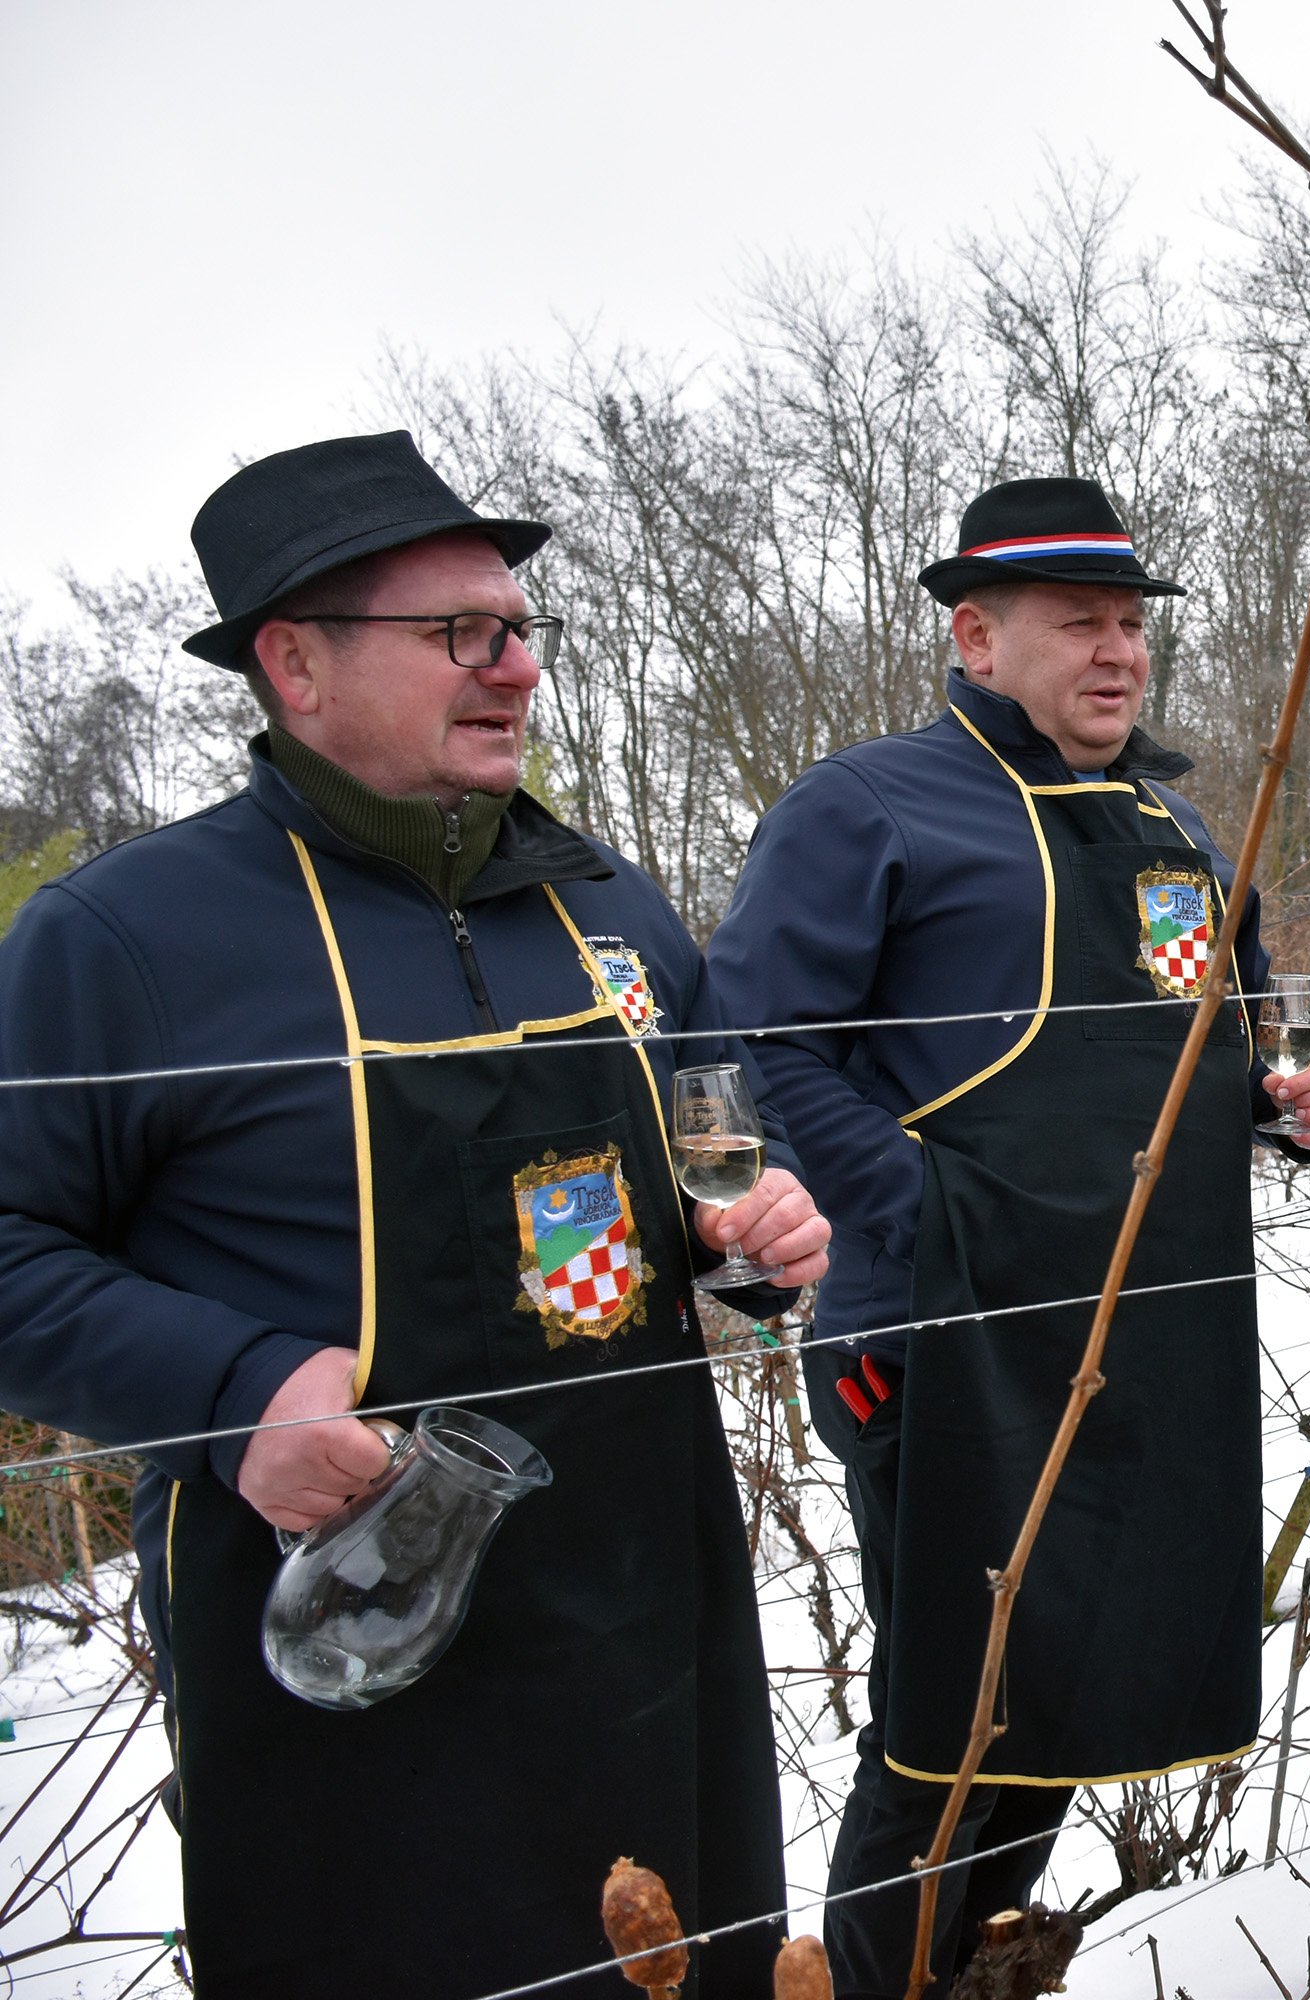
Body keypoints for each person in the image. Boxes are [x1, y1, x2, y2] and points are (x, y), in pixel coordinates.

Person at [0, 432, 831, 1996]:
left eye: (520, 631)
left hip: (645, 1602)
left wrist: (755, 1239)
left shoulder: (608, 905)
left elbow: (706, 1154)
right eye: (458, 634)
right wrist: (231, 1388)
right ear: (294, 663)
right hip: (348, 1634)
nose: (515, 668)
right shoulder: (125, 938)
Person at [705, 476, 1310, 1996]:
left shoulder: (1182, 827)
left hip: (1148, 1344)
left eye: (1132, 624)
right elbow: (750, 1045)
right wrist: (925, 1216)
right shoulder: (865, 807)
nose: (1118, 652)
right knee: (957, 1708)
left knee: (1063, 1691)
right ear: (976, 638)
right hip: (943, 1341)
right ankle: (886, 1981)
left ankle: (974, 1971)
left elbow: (1189, 1045)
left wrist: (1268, 1102)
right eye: (1079, 624)